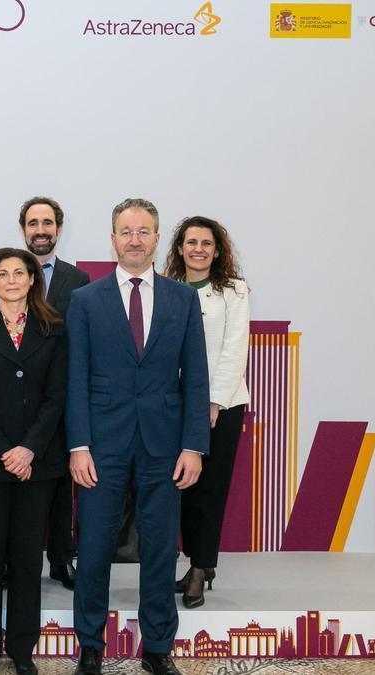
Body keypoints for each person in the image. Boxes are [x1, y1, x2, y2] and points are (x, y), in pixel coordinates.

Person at [66, 198, 209, 675]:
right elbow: (76, 376)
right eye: (125, 231)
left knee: (160, 546)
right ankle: (89, 644)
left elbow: (197, 378)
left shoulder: (182, 298)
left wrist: (193, 446)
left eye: (144, 231)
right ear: (112, 238)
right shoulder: (86, 300)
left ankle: (157, 648)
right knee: (93, 548)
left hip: (165, 445)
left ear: (156, 238)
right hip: (101, 445)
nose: (134, 239)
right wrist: (78, 445)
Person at [0, 248, 68, 675]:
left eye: (18, 273)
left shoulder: (53, 329)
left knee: (26, 559)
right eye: (2, 274)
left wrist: (29, 450)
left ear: (31, 279)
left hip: (38, 466)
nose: (10, 280)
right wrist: (5, 451)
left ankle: (23, 650)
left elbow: (57, 396)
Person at [163, 216, 250, 608]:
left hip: (223, 406)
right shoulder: (167, 289)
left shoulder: (233, 290)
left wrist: (211, 402)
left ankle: (201, 568)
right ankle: (196, 560)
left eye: (206, 243)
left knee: (210, 489)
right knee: (183, 488)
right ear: (180, 248)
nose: (198, 249)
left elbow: (234, 350)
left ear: (217, 251)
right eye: (191, 242)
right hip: (174, 405)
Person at [18, 196, 90, 591]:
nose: (40, 230)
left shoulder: (76, 282)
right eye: (33, 223)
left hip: (59, 394)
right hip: (14, 396)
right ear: (23, 229)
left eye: (47, 223)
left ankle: (62, 558)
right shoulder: (8, 272)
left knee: (62, 483)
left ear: (58, 229)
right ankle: (15, 560)